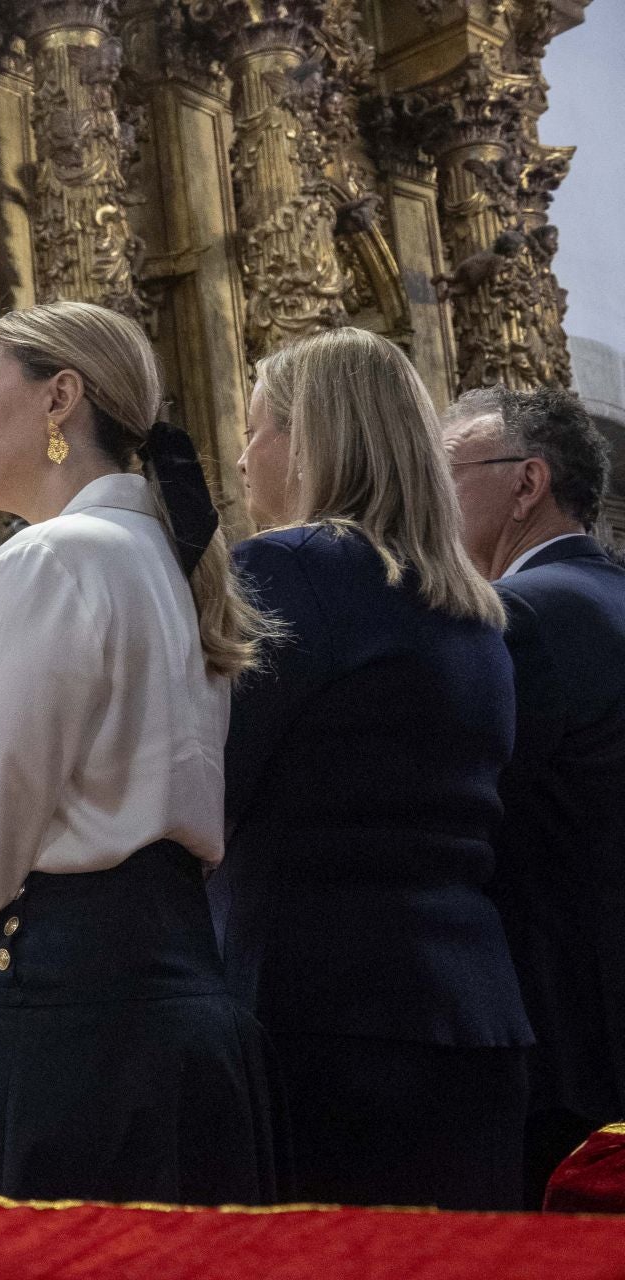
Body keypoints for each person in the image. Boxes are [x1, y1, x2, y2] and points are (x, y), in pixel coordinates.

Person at [0, 300, 279, 1203]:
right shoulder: (170, 563)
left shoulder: (51, 559)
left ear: (60, 398)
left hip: (61, 1013)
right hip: (185, 999)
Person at [220, 328, 532, 1210]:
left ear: (313, 440)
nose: (244, 459)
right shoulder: (475, 611)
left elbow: (209, 788)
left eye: (257, 430)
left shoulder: (286, 569)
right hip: (473, 1012)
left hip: (318, 1013)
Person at [444, 385, 625, 1205]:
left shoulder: (521, 613)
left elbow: (472, 813)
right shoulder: (606, 596)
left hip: (567, 1033)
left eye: (445, 470)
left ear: (528, 483)